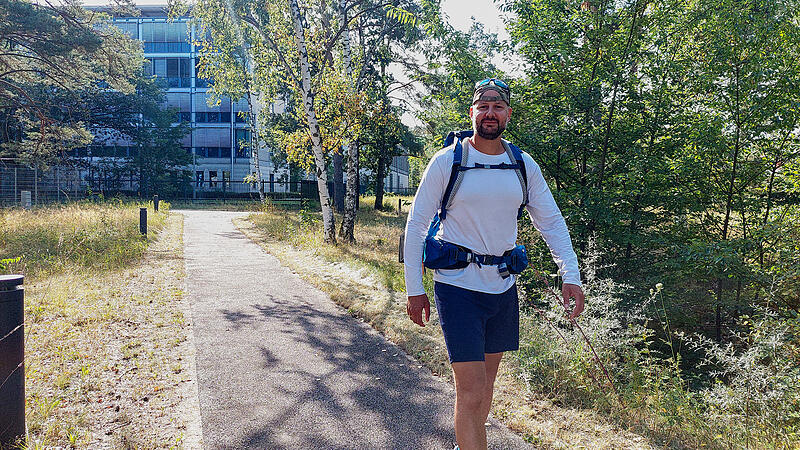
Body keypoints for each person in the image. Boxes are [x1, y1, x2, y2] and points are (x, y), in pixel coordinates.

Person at [403, 78, 585, 450]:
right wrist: (414, 288)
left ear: (508, 114)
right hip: (457, 289)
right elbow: (416, 225)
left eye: (497, 106)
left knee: (485, 389)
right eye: (483, 106)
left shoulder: (521, 164)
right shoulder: (448, 162)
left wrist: (571, 274)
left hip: (502, 288)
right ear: (472, 113)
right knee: (471, 392)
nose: (490, 113)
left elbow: (550, 221)